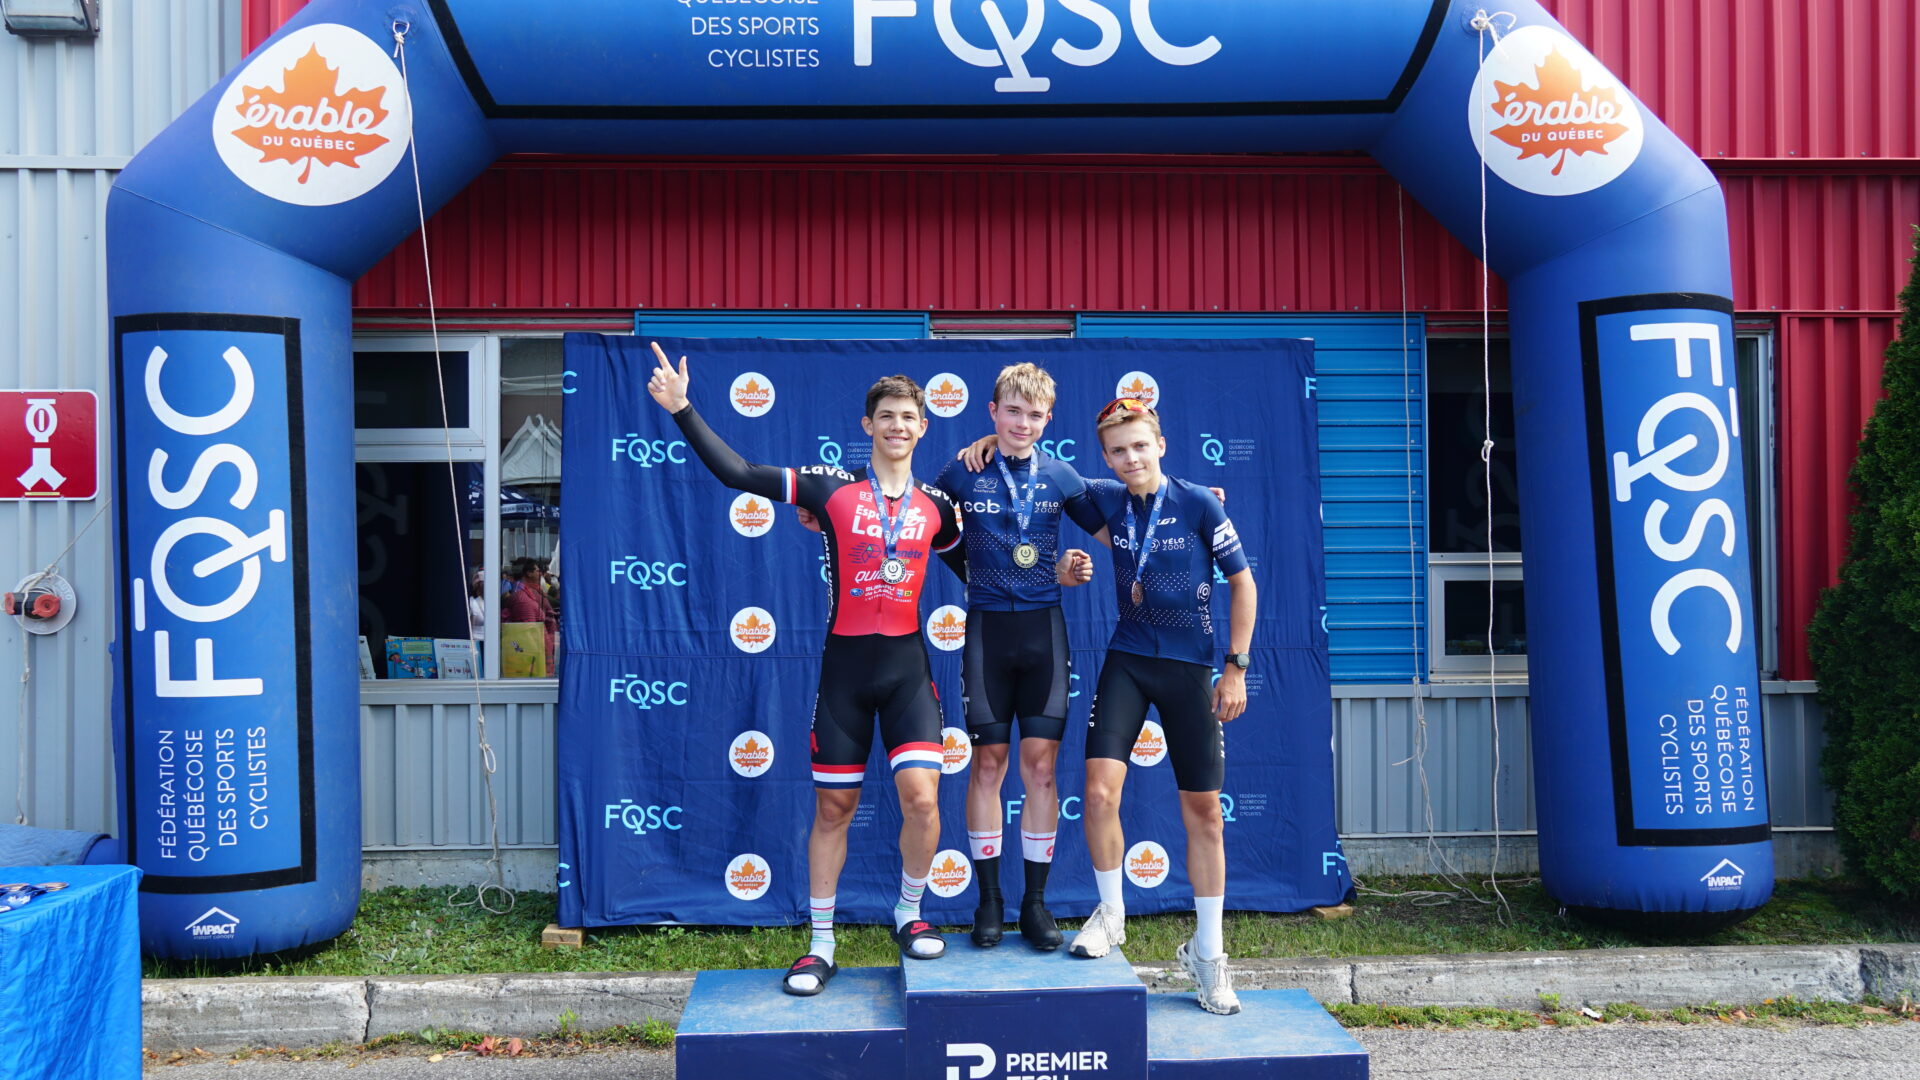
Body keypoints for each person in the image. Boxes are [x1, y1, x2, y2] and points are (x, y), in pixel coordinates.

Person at [646, 342, 964, 996]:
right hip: (844, 669)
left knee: (924, 799)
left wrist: (1062, 573)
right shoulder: (831, 488)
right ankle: (820, 944)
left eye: (910, 417)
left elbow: (982, 570)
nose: (898, 426)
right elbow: (738, 472)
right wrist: (681, 408)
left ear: (924, 426)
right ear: (867, 425)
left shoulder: (938, 506)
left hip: (908, 667)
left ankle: (909, 910)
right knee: (834, 807)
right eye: (887, 416)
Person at [1067, 397, 1256, 1018]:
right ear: (1106, 458)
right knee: (1098, 793)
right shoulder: (1108, 497)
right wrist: (985, 448)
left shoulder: (1200, 501)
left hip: (1189, 667)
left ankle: (1208, 956)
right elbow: (1037, 465)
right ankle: (1113, 914)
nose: (1131, 458)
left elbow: (1243, 583)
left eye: (1140, 446)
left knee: (1204, 813)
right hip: (1127, 656)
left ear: (1161, 444)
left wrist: (1235, 667)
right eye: (1118, 450)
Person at [501, 556, 556, 675]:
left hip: (540, 654)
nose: (541, 573)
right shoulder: (524, 599)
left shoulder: (530, 593)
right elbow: (528, 632)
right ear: (528, 573)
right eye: (538, 570)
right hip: (534, 660)